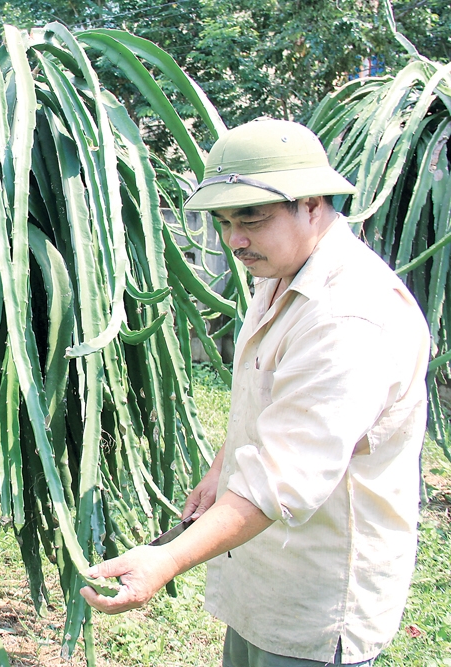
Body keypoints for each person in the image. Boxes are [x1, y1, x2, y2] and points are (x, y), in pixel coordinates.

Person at [80, 117, 431, 667]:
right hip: (264, 577)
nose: (234, 240)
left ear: (312, 203)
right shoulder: (283, 273)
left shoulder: (348, 318)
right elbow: (267, 396)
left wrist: (165, 561)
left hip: (316, 600)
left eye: (252, 219)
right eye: (223, 222)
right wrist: (223, 467)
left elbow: (280, 479)